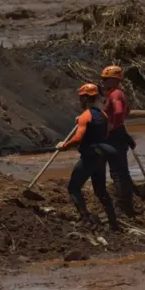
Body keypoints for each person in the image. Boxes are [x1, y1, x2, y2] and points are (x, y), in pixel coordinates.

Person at [56, 83, 120, 231]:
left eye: (81, 98)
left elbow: (78, 139)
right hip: (101, 157)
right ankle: (113, 222)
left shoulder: (86, 116)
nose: (80, 101)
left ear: (85, 98)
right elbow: (106, 132)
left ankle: (85, 219)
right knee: (101, 190)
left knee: (73, 187)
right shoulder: (103, 115)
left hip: (89, 158)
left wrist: (64, 146)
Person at [101, 65, 136, 216]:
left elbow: (120, 112)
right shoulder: (118, 94)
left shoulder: (115, 95)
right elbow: (125, 111)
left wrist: (112, 127)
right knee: (122, 171)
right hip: (120, 134)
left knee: (117, 172)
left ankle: (122, 207)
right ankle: (126, 205)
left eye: (105, 79)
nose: (102, 81)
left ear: (114, 80)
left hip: (116, 135)